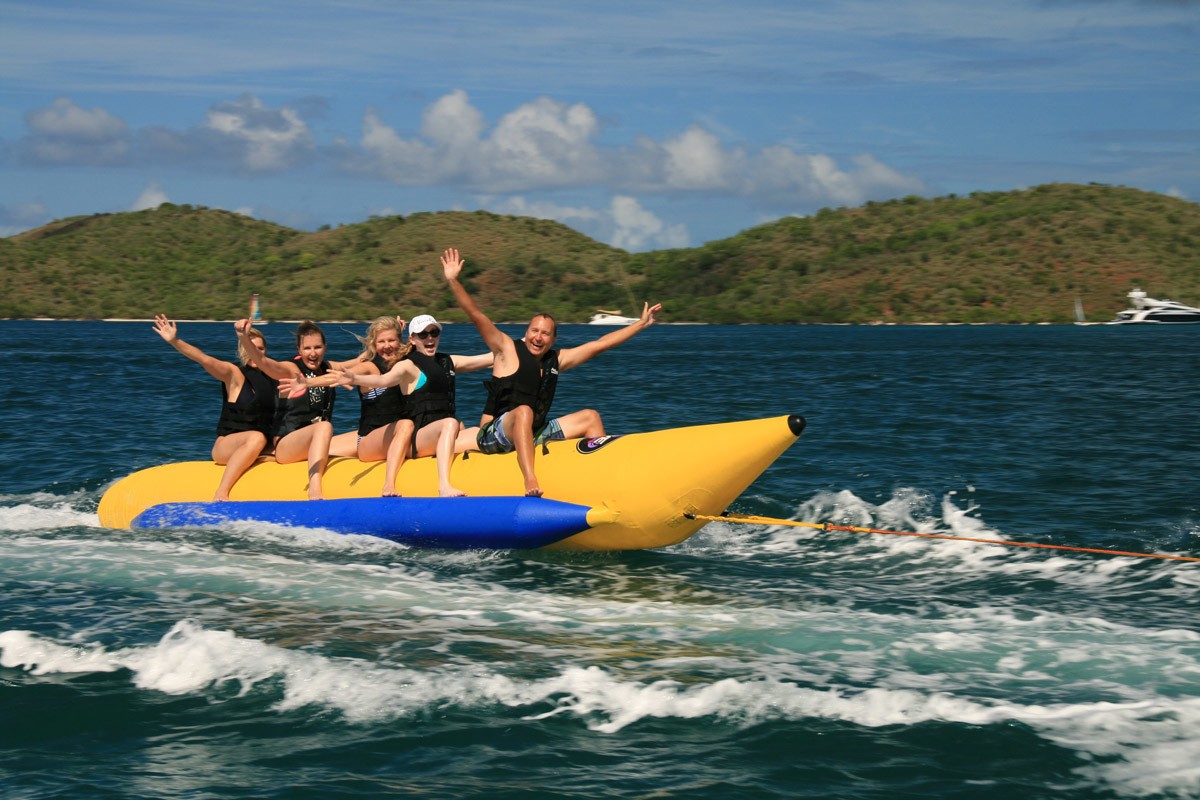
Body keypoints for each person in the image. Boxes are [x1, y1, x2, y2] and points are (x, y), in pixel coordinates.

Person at [440, 247, 662, 497]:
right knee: (523, 411)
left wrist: (640, 324)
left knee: (590, 417)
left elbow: (599, 345)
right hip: (496, 434)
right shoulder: (506, 350)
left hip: (534, 431)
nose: (539, 337)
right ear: (526, 333)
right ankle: (530, 479)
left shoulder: (556, 359)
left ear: (553, 339)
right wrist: (453, 280)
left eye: (545, 333)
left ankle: (601, 481)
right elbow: (476, 315)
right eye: (534, 331)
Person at [333, 314, 492, 497]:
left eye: (434, 332)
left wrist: (516, 347)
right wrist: (353, 378)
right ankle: (437, 485)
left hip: (421, 434)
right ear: (413, 339)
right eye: (423, 334)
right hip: (404, 436)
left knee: (474, 432)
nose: (429, 337)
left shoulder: (444, 361)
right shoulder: (405, 366)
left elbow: (485, 359)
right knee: (444, 423)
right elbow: (383, 380)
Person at [281, 316, 415, 495]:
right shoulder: (369, 367)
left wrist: (402, 332)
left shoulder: (404, 364)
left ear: (399, 340)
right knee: (405, 425)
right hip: (372, 439)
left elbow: (414, 348)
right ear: (374, 344)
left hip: (388, 436)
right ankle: (388, 484)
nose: (387, 346)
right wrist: (307, 383)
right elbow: (338, 376)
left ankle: (311, 452)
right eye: (381, 342)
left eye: (392, 340)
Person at [152, 314, 276, 501]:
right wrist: (175, 341)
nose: (255, 352)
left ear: (266, 350)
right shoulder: (234, 375)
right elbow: (204, 359)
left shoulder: (274, 378)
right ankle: (221, 492)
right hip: (227, 445)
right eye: (251, 347)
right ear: (243, 349)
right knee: (256, 438)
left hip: (260, 445)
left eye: (260, 348)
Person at [236, 320, 337, 500]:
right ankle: (314, 489)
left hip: (314, 442)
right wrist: (244, 337)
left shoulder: (328, 368)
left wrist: (390, 342)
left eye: (317, 347)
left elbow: (360, 364)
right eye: (307, 348)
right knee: (325, 426)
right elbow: (263, 362)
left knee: (359, 436)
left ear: (325, 347)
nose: (313, 353)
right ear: (299, 350)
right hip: (286, 445)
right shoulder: (291, 370)